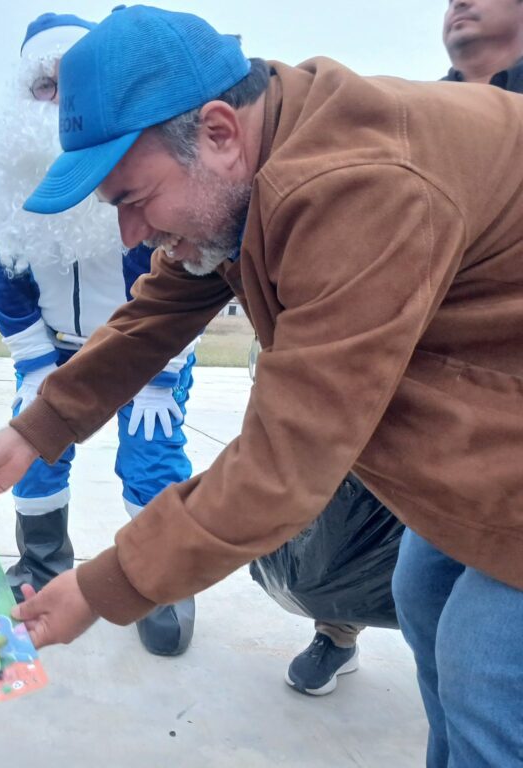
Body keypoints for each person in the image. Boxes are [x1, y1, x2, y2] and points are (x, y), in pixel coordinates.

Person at [0, 6, 523, 765]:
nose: (129, 236)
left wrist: (101, 587)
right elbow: (155, 312)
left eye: (132, 201)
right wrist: (31, 434)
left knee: (488, 665)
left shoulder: (358, 188)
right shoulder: (247, 166)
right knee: (426, 596)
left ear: (217, 131)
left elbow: (286, 462)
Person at [285, 0, 523, 702]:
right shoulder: (425, 112)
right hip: (423, 405)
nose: (460, 3)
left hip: (499, 427)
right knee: (416, 592)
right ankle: (338, 629)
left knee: (482, 664)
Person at [0, 11, 198, 656]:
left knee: (152, 457)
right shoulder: (3, 184)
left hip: (144, 349)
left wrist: (161, 375)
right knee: (34, 455)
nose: (54, 104)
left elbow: (176, 274)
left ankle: (162, 584)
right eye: (42, 88)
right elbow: (1, 276)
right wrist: (34, 363)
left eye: (68, 89)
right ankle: (41, 566)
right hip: (51, 350)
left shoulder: (136, 166)